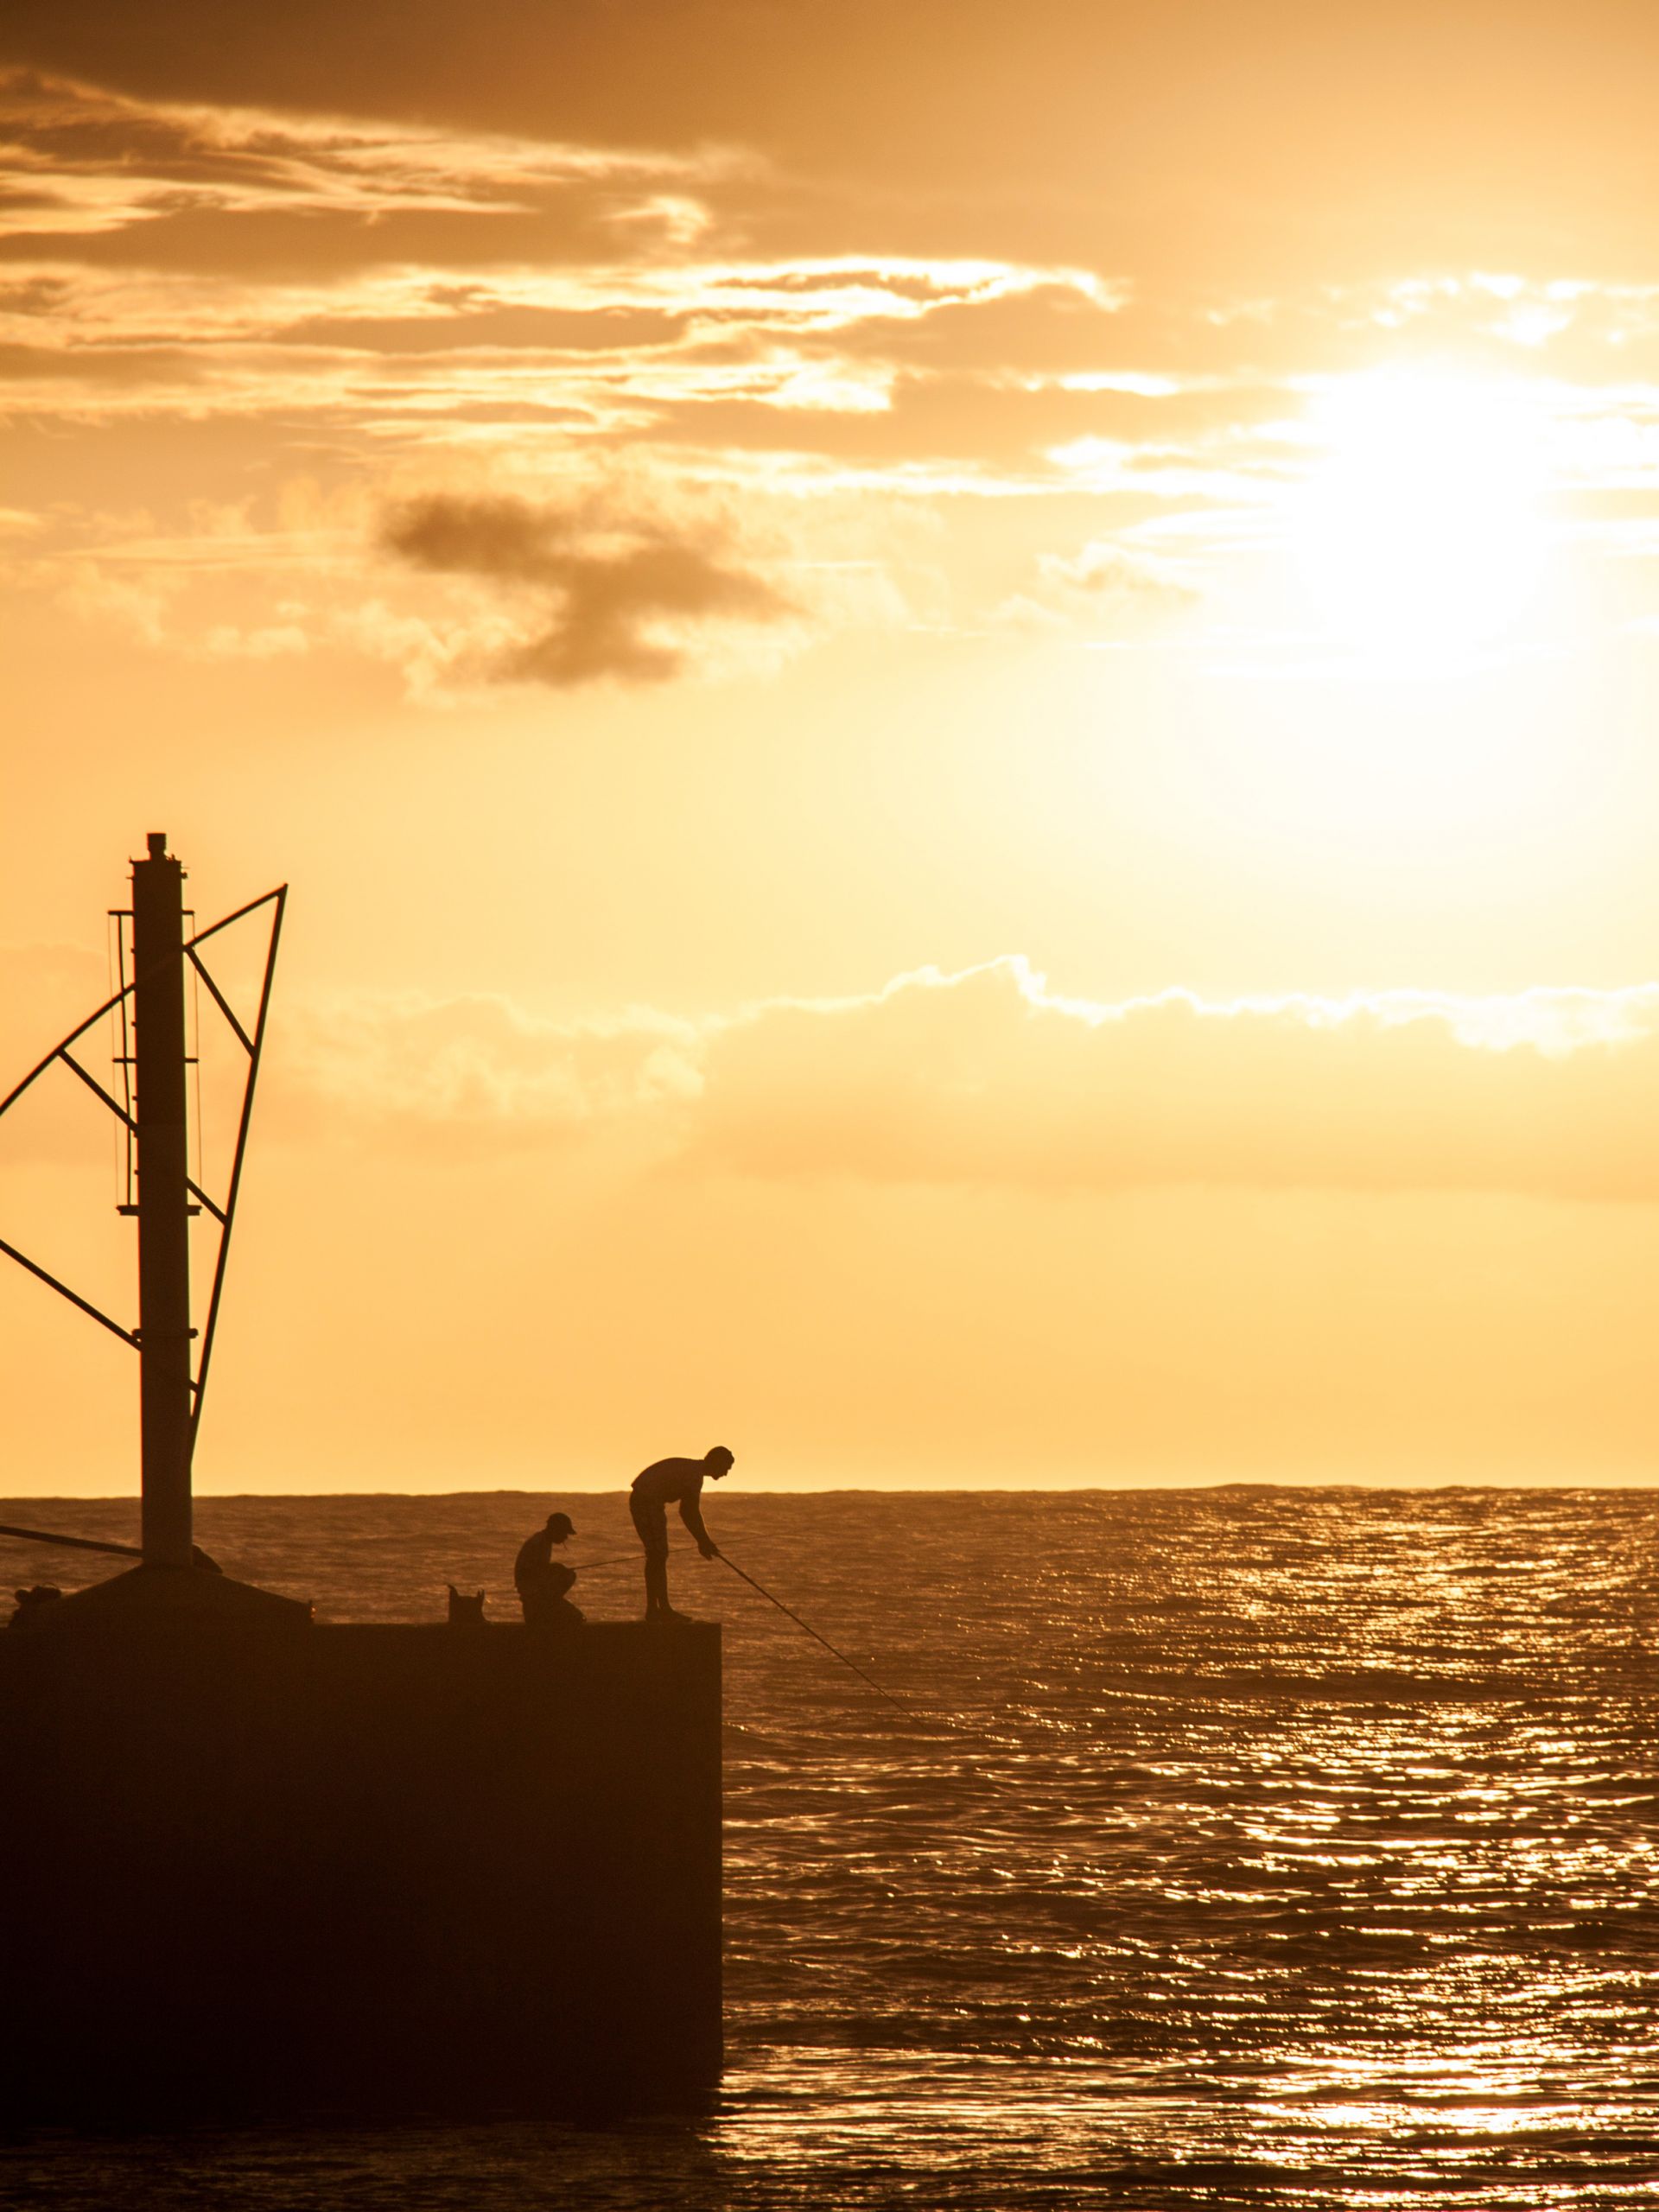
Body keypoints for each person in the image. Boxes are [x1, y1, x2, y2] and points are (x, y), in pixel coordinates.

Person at [629, 1447, 734, 1622]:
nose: (725, 1473)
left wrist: (703, 1541)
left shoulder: (694, 1473)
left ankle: (658, 1609)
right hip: (646, 1502)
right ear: (716, 1463)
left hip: (650, 1503)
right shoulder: (693, 1476)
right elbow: (689, 1512)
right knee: (657, 1555)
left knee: (658, 1555)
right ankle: (657, 1610)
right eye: (726, 1468)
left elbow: (688, 1512)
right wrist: (704, 1541)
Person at [514, 1510, 582, 1630]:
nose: (566, 1537)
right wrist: (555, 1568)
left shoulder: (543, 1541)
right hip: (534, 1597)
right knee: (576, 1617)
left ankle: (551, 1602)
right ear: (556, 1529)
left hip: (535, 1594)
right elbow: (530, 1571)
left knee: (570, 1575)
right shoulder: (539, 1543)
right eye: (564, 1533)